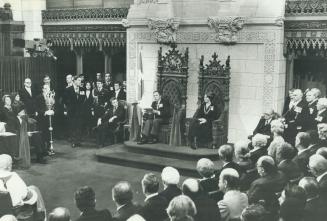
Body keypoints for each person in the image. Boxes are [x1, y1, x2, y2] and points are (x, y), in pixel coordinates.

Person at [65, 76, 85, 148]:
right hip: (72, 111)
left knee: (79, 126)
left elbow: (83, 99)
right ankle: (73, 142)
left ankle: (78, 141)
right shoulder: (68, 89)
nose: (80, 82)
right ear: (74, 81)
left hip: (79, 111)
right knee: (72, 127)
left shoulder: (82, 89)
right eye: (79, 80)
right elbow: (65, 100)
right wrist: (70, 107)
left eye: (80, 80)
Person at [35, 84, 54, 155]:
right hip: (41, 118)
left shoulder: (50, 97)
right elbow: (37, 108)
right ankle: (43, 150)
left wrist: (52, 110)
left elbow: (52, 106)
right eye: (45, 88)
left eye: (48, 88)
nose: (46, 90)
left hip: (49, 119)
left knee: (49, 134)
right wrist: (44, 112)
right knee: (43, 135)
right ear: (42, 89)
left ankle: (49, 149)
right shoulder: (38, 97)